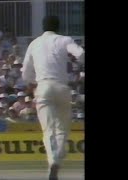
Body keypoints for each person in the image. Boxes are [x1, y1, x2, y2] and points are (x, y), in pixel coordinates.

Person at [22, 16, 84, 180]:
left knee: (48, 129)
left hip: (43, 87)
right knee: (62, 129)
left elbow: (25, 73)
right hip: (62, 87)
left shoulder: (34, 43)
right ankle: (57, 160)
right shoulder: (64, 39)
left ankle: (53, 161)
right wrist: (78, 65)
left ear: (43, 27)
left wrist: (33, 81)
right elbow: (81, 54)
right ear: (58, 27)